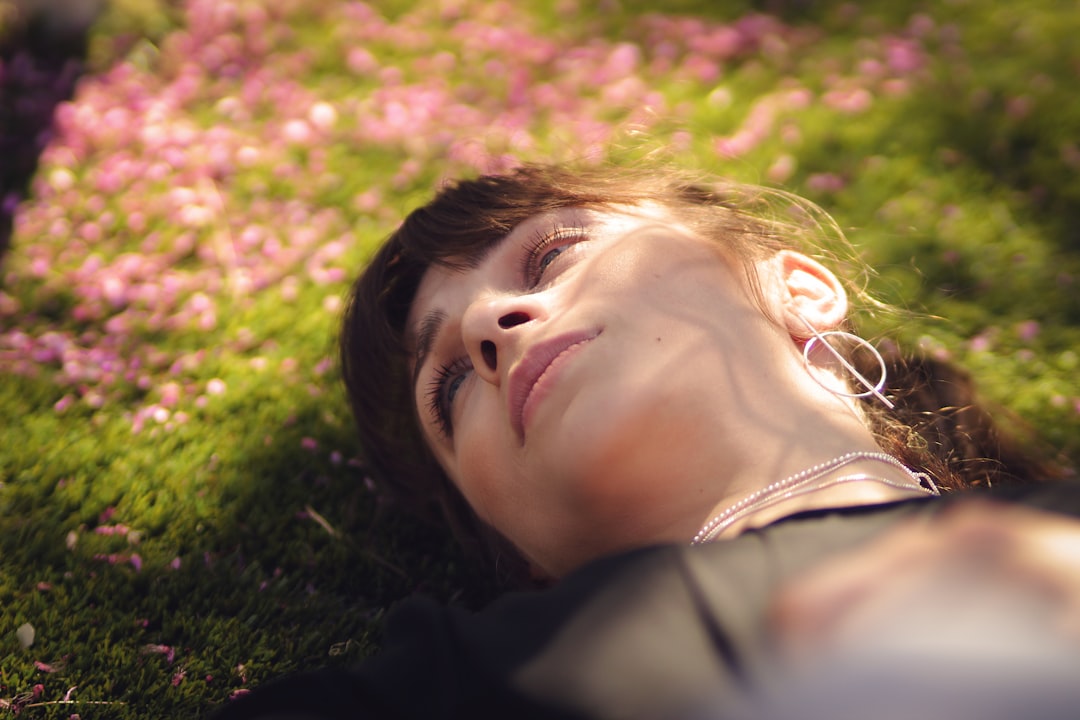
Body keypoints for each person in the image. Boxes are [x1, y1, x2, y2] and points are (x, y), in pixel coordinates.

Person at [211, 163, 1080, 720]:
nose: (487, 323)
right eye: (445, 388)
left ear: (801, 290)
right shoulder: (467, 687)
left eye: (550, 257)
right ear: (518, 555)